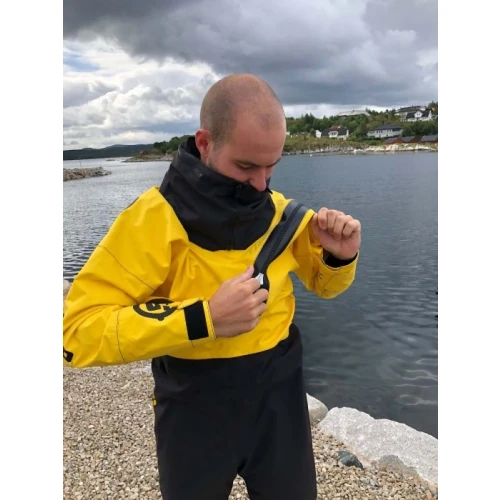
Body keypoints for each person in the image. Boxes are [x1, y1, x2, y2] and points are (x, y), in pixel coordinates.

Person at [63, 73, 361, 500]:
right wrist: (202, 319)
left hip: (279, 404)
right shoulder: (151, 221)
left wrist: (339, 257)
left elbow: (326, 287)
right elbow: (76, 334)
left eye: (272, 165)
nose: (262, 184)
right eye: (246, 166)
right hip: (193, 412)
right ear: (204, 143)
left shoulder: (285, 216)